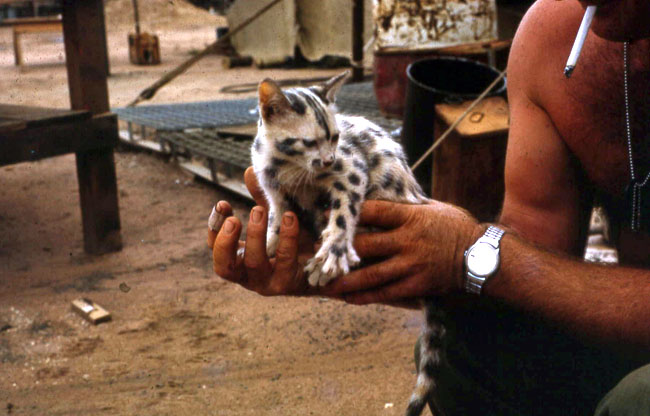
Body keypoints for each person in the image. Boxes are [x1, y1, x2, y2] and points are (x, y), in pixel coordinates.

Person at [208, 0, 650, 414]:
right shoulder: (553, 37)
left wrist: (473, 250)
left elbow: (506, 264)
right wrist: (366, 265)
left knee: (638, 398)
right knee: (462, 351)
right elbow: (534, 265)